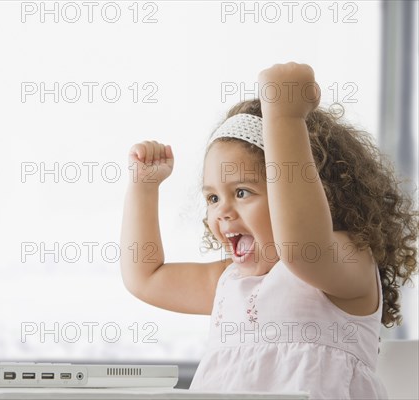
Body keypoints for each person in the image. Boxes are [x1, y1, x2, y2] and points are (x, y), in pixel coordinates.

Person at [119, 62, 417, 399]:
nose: (222, 211)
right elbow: (145, 276)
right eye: (213, 197)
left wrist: (285, 118)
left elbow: (302, 246)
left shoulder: (347, 261)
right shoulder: (229, 283)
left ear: (314, 192)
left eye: (242, 192)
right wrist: (144, 189)